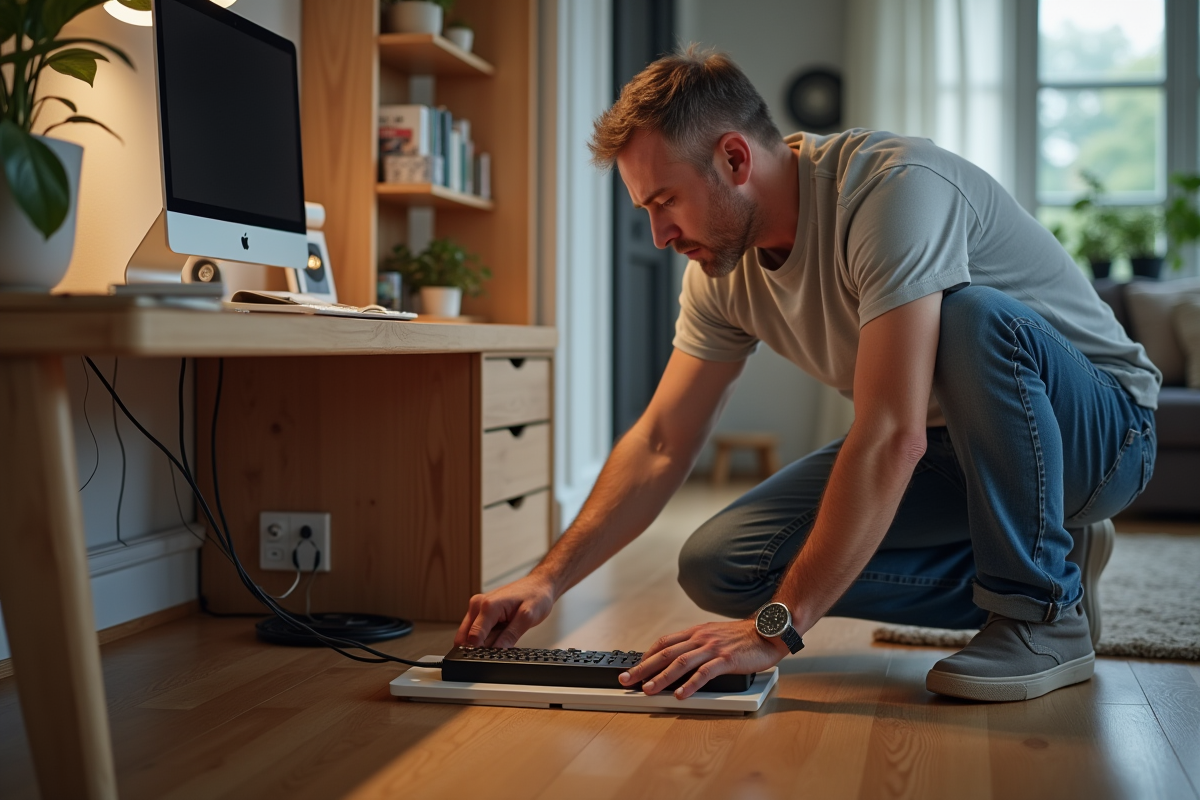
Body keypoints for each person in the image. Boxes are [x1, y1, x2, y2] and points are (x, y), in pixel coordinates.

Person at [455, 46, 1160, 702]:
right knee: (723, 564)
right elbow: (664, 441)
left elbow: (889, 433)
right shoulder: (721, 273)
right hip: (956, 451)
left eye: (664, 201)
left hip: (1099, 436)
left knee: (969, 315)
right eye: (647, 211)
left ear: (734, 157)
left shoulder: (891, 190)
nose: (659, 236)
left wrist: (778, 630)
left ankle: (1037, 612)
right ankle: (1053, 573)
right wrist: (548, 579)